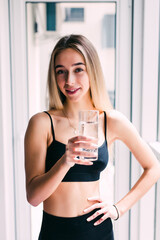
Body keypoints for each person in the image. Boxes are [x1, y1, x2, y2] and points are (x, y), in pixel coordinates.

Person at [24, 34, 160, 240]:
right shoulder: (42, 123)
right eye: (61, 72)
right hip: (55, 232)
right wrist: (64, 162)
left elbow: (154, 168)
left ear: (92, 71)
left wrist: (118, 209)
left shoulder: (111, 121)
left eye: (78, 69)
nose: (69, 81)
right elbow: (33, 198)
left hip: (98, 231)